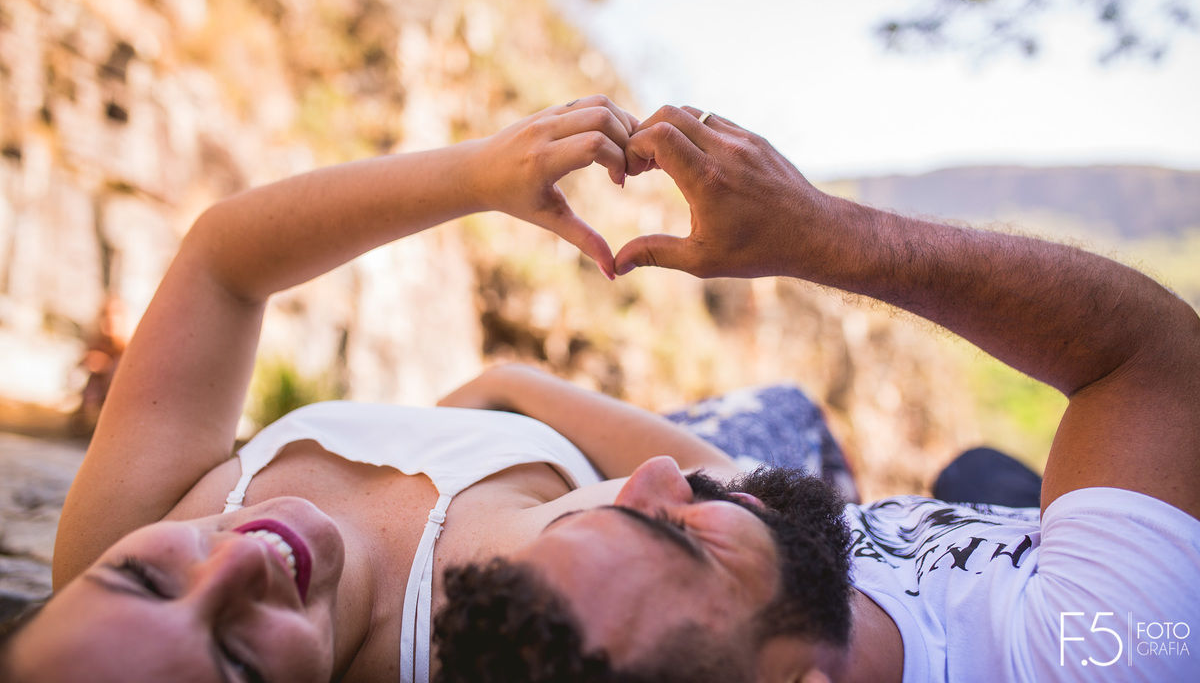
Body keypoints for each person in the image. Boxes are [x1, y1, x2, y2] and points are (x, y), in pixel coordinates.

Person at [2, 95, 841, 683]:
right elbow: (719, 484)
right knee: (822, 453)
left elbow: (222, 262)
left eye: (147, 583)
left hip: (554, 420)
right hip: (736, 456)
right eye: (238, 663)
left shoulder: (109, 544)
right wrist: (517, 384)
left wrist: (477, 177)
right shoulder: (496, 634)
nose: (239, 566)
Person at [430, 106, 1200, 682]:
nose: (659, 476)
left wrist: (512, 383)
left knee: (970, 469)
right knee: (976, 470)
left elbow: (708, 470)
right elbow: (1148, 360)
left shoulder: (766, 612)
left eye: (618, 508)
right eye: (679, 532)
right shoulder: (1094, 650)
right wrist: (820, 234)